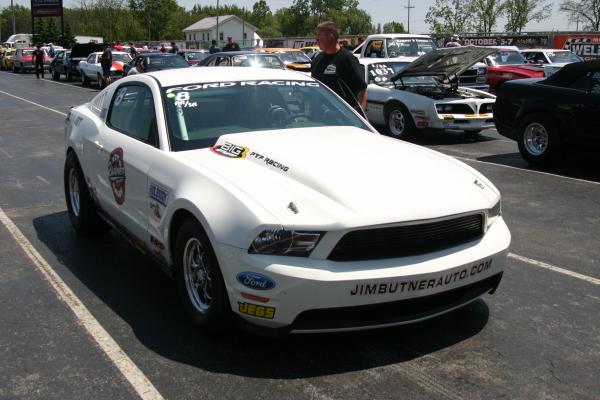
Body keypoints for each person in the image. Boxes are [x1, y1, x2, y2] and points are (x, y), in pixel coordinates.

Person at [311, 21, 367, 116]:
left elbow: (361, 90)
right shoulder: (317, 60)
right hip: (319, 118)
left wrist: (358, 116)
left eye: (319, 36)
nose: (316, 39)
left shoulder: (347, 59)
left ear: (331, 36)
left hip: (343, 119)